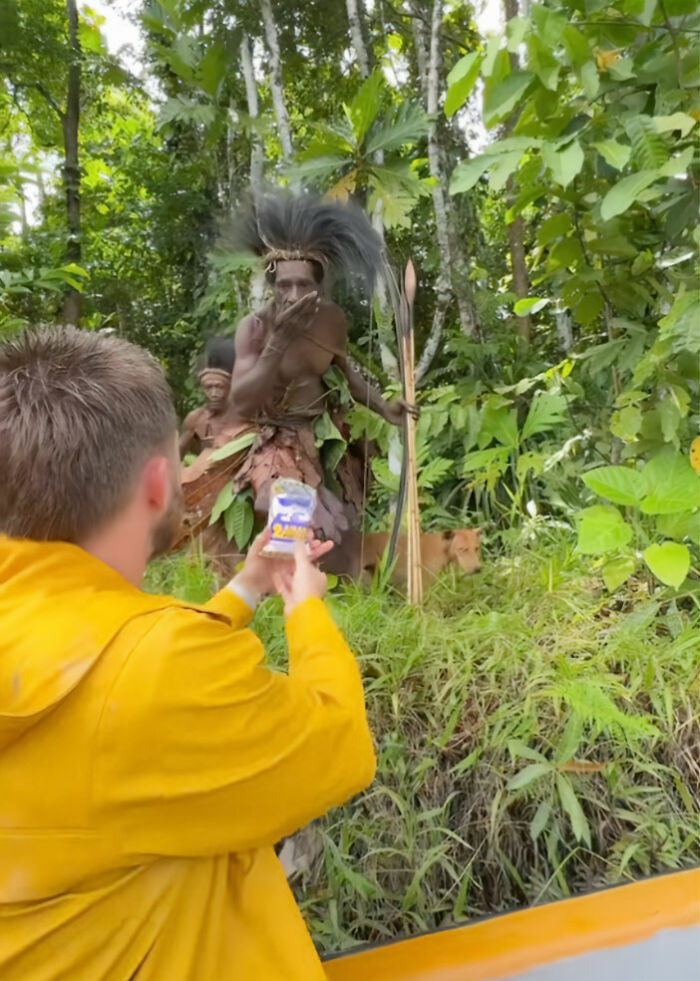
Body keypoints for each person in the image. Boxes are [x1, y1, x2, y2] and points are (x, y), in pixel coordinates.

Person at [0, 326, 376, 980]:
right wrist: (304, 604)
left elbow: (103, 652)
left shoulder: (51, 630)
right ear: (158, 481)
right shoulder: (163, 673)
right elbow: (341, 742)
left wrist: (247, 587)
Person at [178, 193, 416, 573]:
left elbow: (347, 375)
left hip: (321, 436)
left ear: (318, 287)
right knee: (291, 514)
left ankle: (326, 597)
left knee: (339, 528)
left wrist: (386, 407)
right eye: (284, 286)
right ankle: (278, 588)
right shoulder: (254, 329)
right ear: (272, 286)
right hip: (272, 438)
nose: (293, 295)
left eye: (303, 285)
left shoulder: (332, 321)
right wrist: (278, 343)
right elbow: (241, 402)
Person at [179, 336, 235, 456]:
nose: (214, 394)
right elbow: (176, 457)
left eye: (219, 387)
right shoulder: (196, 419)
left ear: (231, 387)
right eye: (209, 388)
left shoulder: (246, 416)